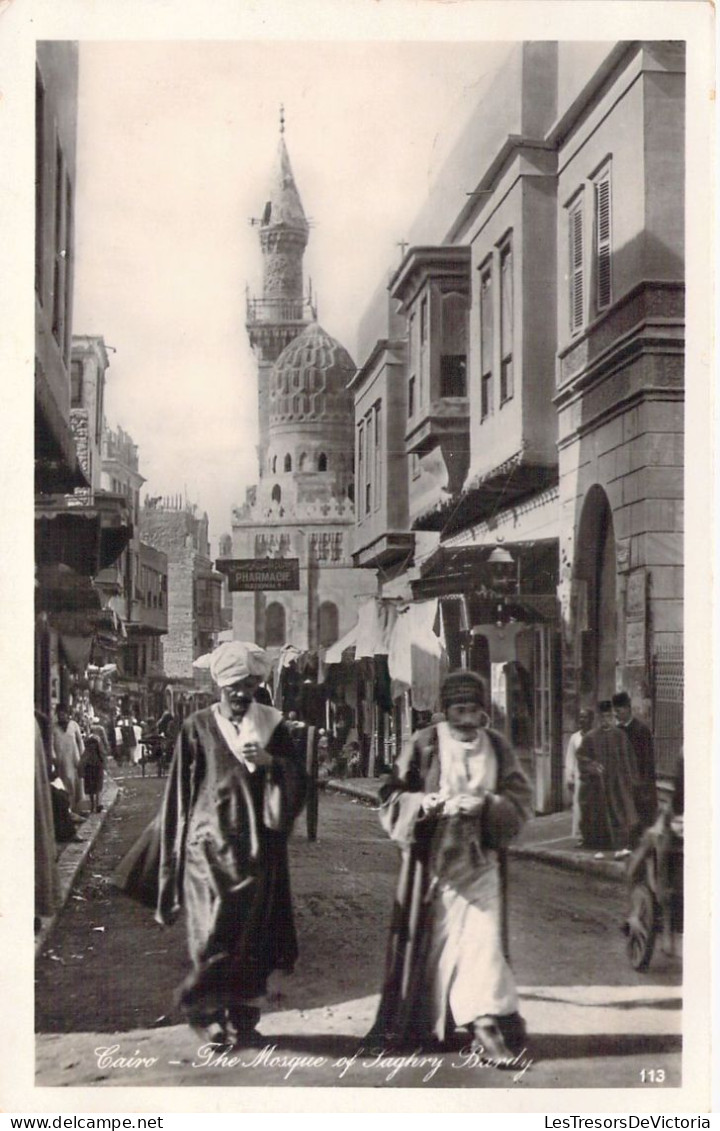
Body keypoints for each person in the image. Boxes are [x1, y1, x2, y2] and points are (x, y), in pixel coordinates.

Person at [369, 669, 532, 1060]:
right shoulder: (425, 744)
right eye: (458, 709)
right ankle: (436, 1022)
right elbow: (391, 794)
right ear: (445, 711)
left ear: (483, 713)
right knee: (439, 947)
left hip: (481, 864)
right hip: (435, 868)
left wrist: (488, 805)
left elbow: (519, 797)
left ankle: (486, 1024)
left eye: (473, 710)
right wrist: (422, 804)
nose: (465, 718)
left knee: (483, 941)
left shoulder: (497, 747)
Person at [154, 641, 307, 1049]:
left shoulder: (274, 727)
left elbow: (299, 783)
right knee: (212, 936)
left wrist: (273, 763)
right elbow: (180, 794)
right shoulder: (197, 727)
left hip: (259, 853)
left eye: (249, 687)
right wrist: (172, 856)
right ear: (219, 687)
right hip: (207, 852)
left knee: (253, 938)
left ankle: (243, 1017)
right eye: (233, 687)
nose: (241, 695)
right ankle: (207, 1013)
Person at [576, 700, 639, 854]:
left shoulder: (620, 736)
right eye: (603, 717)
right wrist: (592, 766)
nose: (606, 721)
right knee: (599, 815)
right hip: (599, 785)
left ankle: (621, 843)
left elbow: (629, 758)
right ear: (598, 718)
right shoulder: (590, 737)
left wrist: (631, 779)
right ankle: (600, 844)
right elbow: (582, 758)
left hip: (618, 783)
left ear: (613, 717)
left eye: (609, 717)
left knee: (621, 813)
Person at [612, 691, 657, 840]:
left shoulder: (641, 730)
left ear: (627, 709)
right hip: (622, 782)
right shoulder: (616, 731)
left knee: (640, 817)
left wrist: (643, 783)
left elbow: (647, 760)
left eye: (618, 710)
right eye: (614, 711)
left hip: (639, 782)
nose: (616, 714)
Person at [564, 708, 593, 841]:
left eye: (585, 717)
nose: (582, 720)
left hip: (593, 778)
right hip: (579, 777)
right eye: (580, 717)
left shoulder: (595, 736)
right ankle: (581, 834)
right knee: (579, 806)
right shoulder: (575, 738)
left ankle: (592, 834)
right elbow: (570, 759)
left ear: (591, 720)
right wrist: (569, 777)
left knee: (592, 806)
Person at [52, 704, 85, 814]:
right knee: (64, 782)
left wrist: (82, 756)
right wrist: (54, 757)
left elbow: (80, 741)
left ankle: (74, 808)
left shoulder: (74, 725)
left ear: (68, 714)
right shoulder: (54, 728)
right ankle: (67, 810)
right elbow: (51, 744)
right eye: (60, 714)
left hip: (73, 758)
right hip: (61, 760)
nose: (62, 716)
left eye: (64, 713)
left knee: (73, 782)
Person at [80, 735, 105, 813]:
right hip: (97, 768)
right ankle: (98, 804)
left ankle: (92, 806)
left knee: (91, 789)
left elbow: (82, 762)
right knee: (98, 788)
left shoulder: (86, 752)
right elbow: (103, 757)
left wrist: (81, 772)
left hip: (89, 769)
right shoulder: (99, 751)